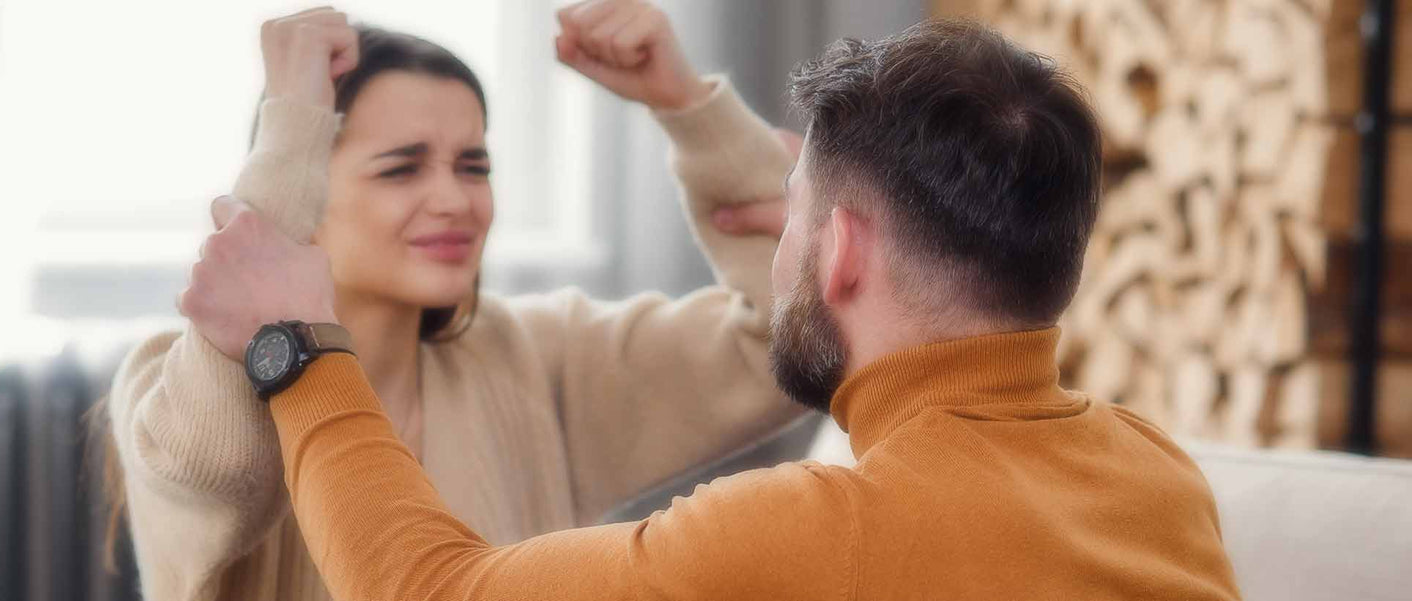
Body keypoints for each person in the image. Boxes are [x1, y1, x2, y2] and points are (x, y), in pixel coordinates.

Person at [184, 18, 1244, 601]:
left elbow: (428, 593)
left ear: (838, 252)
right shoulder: (1157, 477)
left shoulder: (809, 533)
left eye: (793, 219)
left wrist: (295, 349)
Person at [104, 2, 807, 600]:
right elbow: (224, 463)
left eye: (474, 166)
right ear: (306, 191)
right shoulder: (170, 382)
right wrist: (288, 133)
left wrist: (684, 102)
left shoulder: (528, 354)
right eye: (402, 167)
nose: (454, 200)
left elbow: (779, 347)